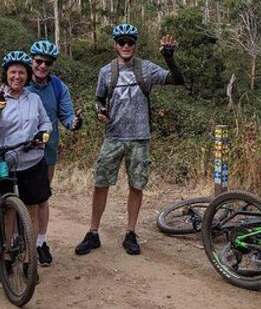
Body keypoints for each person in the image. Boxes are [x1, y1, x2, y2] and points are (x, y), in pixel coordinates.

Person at [75, 23, 184, 257]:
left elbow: (177, 79)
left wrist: (169, 58)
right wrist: (100, 110)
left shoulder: (147, 68)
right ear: (115, 45)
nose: (126, 46)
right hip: (113, 136)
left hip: (139, 138)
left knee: (136, 186)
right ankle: (93, 232)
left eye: (130, 42)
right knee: (100, 183)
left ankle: (130, 233)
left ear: (135, 44)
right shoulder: (106, 71)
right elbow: (98, 99)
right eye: (122, 42)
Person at [0, 51, 52, 281]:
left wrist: (44, 133)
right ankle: (6, 257)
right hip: (5, 163)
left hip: (31, 161)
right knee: (7, 212)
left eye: (22, 72)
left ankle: (29, 262)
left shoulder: (34, 99)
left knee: (32, 211)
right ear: (6, 74)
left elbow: (45, 121)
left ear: (28, 75)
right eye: (13, 72)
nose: (17, 76)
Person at [26, 40, 82, 266]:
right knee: (18, 201)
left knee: (41, 198)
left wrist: (75, 123)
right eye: (38, 61)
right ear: (32, 60)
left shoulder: (58, 87)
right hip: (18, 152)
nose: (42, 66)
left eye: (47, 63)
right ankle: (16, 243)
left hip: (47, 153)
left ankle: (40, 242)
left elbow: (66, 117)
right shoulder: (20, 80)